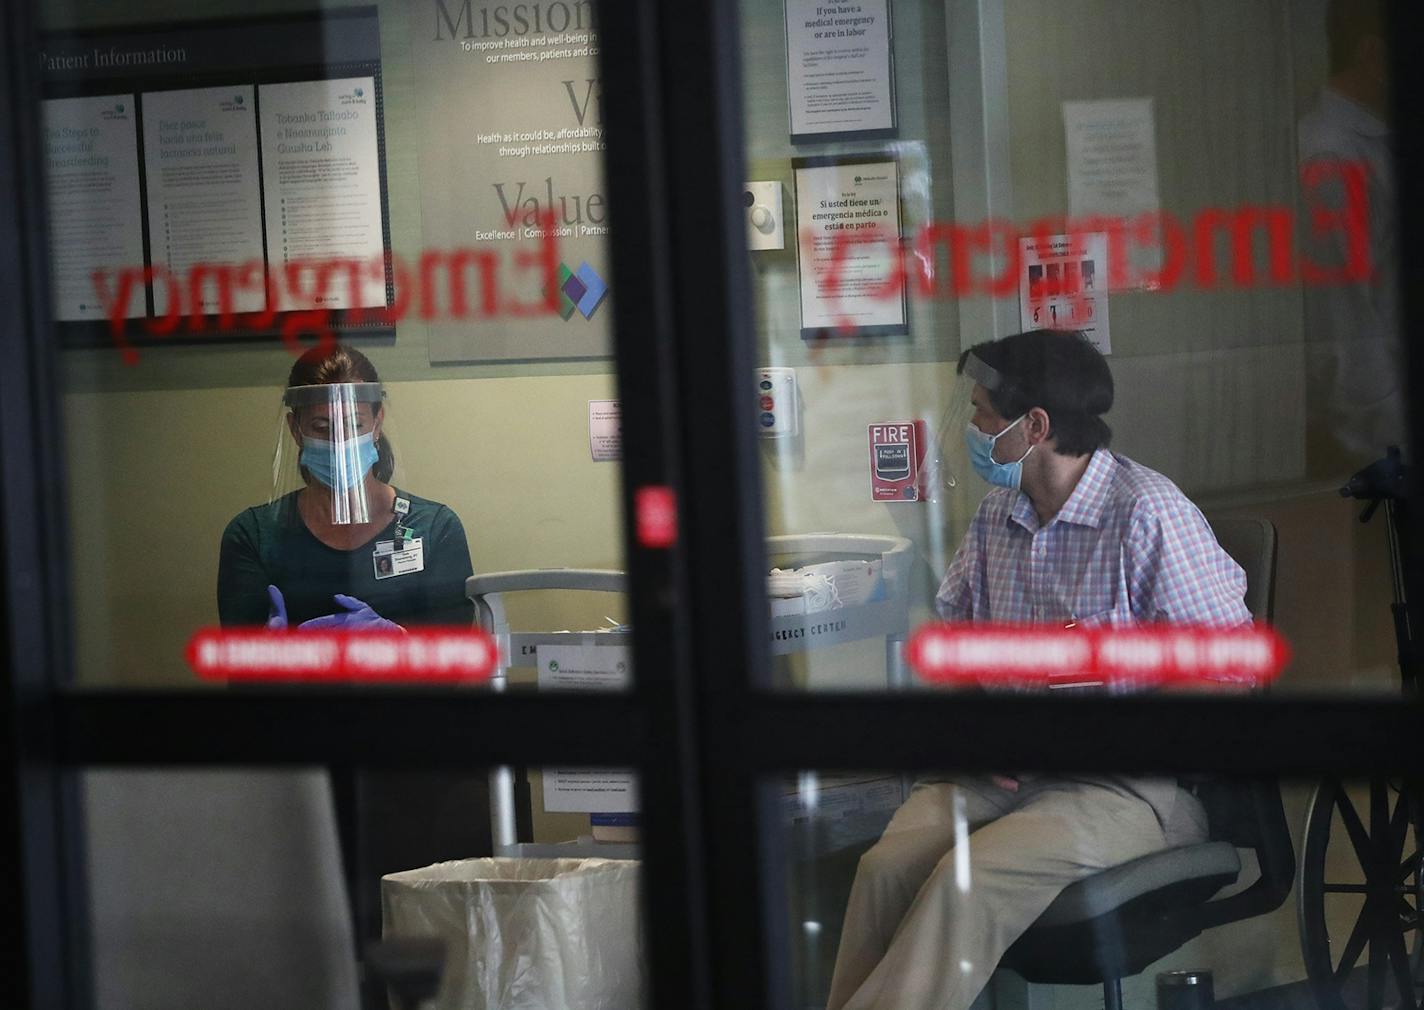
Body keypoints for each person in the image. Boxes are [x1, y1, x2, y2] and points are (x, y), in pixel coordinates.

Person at [826, 330, 1252, 1010]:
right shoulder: (1000, 516)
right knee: (884, 869)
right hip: (1006, 774)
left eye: (982, 413)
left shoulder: (1147, 513)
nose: (971, 426)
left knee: (963, 881)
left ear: (1036, 426)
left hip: (1119, 786)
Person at [218, 343, 474, 630]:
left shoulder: (435, 529)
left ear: (377, 424)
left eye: (353, 425)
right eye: (321, 427)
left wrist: (399, 645)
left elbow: (458, 662)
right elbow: (238, 666)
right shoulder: (254, 536)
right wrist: (266, 657)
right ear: (295, 430)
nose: (339, 443)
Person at [1297, 0, 1401, 474]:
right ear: (1372, 54)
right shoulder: (1332, 154)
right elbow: (1343, 315)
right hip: (1377, 429)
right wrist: (1392, 427)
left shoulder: (1369, 137)